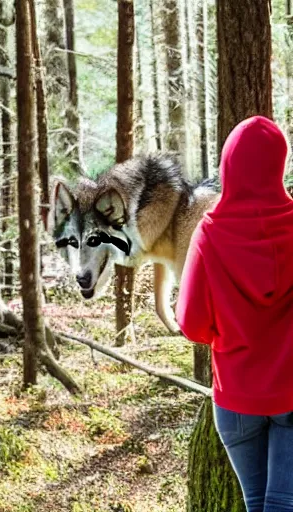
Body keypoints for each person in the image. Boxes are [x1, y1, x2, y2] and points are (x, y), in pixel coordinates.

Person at [176, 115, 293, 512]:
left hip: (237, 396)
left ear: (228, 166)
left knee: (257, 502)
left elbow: (191, 323)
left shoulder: (210, 233)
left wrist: (231, 327)